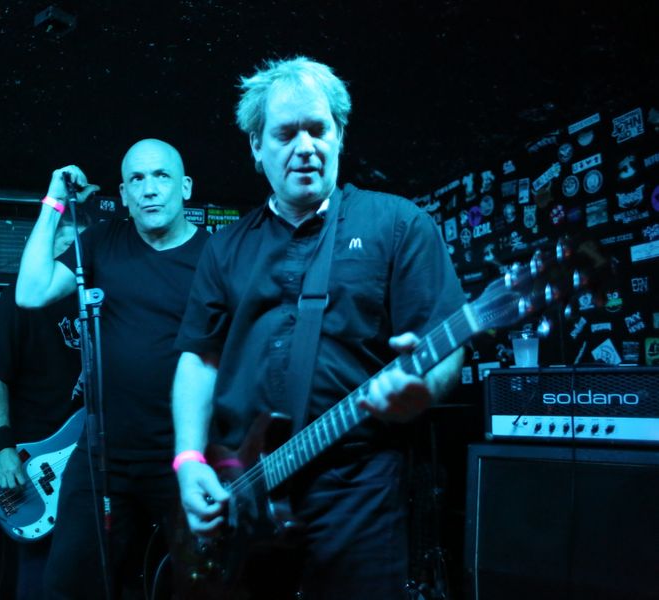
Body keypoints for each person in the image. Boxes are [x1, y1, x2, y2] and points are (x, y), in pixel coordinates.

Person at [172, 57, 466, 599]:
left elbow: (444, 341)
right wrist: (189, 460)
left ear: (340, 135)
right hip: (242, 484)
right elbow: (199, 358)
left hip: (359, 486)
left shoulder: (398, 224)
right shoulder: (225, 247)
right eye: (286, 133)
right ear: (256, 146)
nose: (305, 146)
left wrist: (424, 388)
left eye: (318, 129)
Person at [15, 138, 209, 599]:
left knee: (197, 584)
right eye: (136, 179)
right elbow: (31, 292)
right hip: (105, 454)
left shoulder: (216, 254)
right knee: (69, 585)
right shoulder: (103, 241)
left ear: (185, 187)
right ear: (123, 194)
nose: (149, 189)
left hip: (185, 454)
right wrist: (53, 202)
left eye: (161, 176)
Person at [0, 216, 89, 600]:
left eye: (80, 250)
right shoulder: (19, 298)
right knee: (38, 570)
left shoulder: (100, 302)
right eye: (65, 248)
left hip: (90, 454)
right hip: (35, 456)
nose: (72, 259)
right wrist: (4, 448)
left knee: (89, 565)